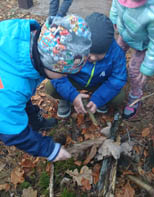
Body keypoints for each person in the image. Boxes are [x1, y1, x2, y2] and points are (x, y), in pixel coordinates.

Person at [0, 15, 91, 162]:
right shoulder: (11, 89)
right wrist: (49, 150)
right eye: (64, 73)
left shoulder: (29, 42)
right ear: (50, 64)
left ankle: (34, 123)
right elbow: (12, 130)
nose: (65, 77)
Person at [45, 12, 127, 118]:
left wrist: (99, 98)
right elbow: (58, 73)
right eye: (88, 54)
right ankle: (65, 99)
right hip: (75, 80)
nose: (92, 58)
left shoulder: (116, 53)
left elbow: (117, 79)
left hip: (99, 83)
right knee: (51, 87)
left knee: (119, 97)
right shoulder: (71, 47)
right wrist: (72, 95)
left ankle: (101, 101)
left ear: (108, 48)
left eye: (98, 56)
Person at [110, 0, 154, 119]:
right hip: (124, 32)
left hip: (143, 44)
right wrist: (114, 16)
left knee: (135, 72)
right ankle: (113, 78)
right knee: (115, 54)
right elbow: (116, 1)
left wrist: (148, 67)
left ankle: (135, 95)